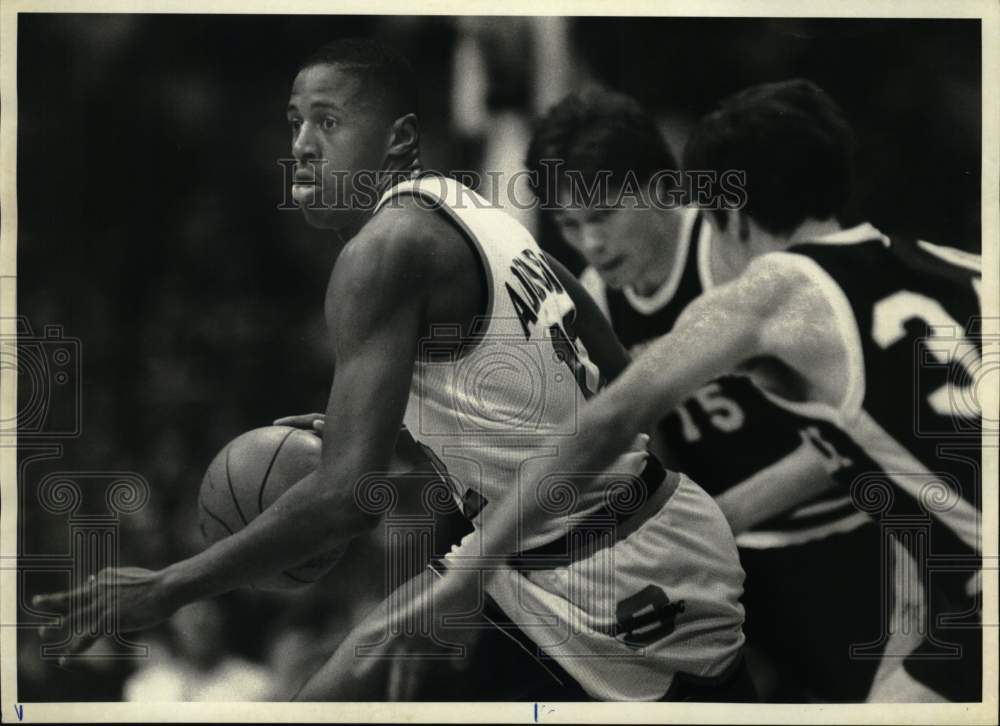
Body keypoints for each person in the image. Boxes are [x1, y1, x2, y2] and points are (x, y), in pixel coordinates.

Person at [34, 38, 749, 702]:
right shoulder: (471, 207)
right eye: (294, 124)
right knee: (339, 685)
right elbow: (618, 381)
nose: (302, 147)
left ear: (399, 140)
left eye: (328, 122)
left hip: (600, 576)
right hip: (643, 533)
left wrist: (170, 586)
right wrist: (424, 447)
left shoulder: (381, 253)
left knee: (333, 696)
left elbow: (346, 501)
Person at [500, 79, 983, 702]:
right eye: (569, 224)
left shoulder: (741, 254)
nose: (590, 241)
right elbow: (643, 451)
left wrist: (727, 516)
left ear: (663, 189)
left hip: (852, 532)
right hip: (741, 565)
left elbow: (864, 424)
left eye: (603, 215)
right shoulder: (595, 303)